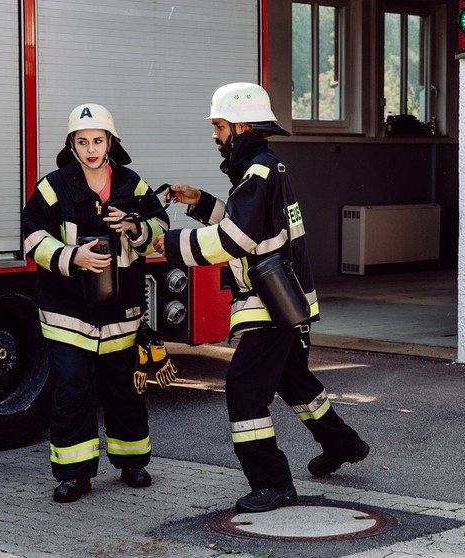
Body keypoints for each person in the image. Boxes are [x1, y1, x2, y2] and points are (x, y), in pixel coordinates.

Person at [153, 82, 369, 513]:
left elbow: (237, 239)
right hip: (286, 299)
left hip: (269, 303)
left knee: (244, 389)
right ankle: (344, 444)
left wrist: (173, 245)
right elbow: (252, 227)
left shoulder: (258, 172)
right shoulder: (263, 169)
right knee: (293, 380)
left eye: (218, 125)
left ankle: (272, 483)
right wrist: (200, 203)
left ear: (242, 125)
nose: (214, 135)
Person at [23, 103, 169, 502]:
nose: (91, 149)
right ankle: (74, 475)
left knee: (124, 387)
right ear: (71, 144)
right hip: (66, 311)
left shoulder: (132, 184)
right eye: (82, 141)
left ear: (111, 142)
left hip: (120, 311)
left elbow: (160, 225)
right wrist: (75, 258)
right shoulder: (53, 187)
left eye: (98, 140)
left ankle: (133, 462)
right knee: (72, 388)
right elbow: (33, 239)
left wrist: (136, 227)